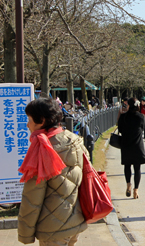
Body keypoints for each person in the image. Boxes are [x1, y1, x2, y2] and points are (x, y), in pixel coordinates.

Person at [18, 98, 87, 245]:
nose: (27, 124)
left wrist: (25, 235)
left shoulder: (41, 147)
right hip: (76, 219)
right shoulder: (74, 139)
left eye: (29, 119)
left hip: (52, 228)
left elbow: (32, 198)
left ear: (41, 120)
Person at [118, 98, 145, 199]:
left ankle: (128, 184)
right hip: (137, 144)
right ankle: (136, 190)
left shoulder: (123, 117)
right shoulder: (141, 116)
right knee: (137, 167)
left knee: (127, 166)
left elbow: (120, 129)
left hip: (126, 143)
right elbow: (143, 127)